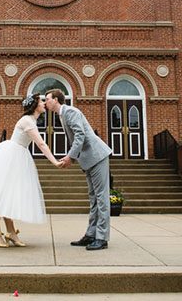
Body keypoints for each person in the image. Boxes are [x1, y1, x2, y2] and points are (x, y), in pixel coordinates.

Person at [0, 93, 62, 248]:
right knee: (0, 194)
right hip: (11, 156)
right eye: (41, 101)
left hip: (19, 156)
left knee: (8, 195)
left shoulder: (31, 120)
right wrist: (55, 161)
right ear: (34, 106)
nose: (44, 103)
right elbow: (41, 144)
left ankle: (11, 232)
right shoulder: (27, 120)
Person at [45, 88, 113, 251]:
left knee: (101, 197)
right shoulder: (61, 115)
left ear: (56, 100)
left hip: (97, 156)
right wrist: (73, 156)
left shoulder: (70, 111)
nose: (45, 102)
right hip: (88, 159)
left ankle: (102, 238)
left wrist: (70, 157)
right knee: (93, 197)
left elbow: (80, 135)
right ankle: (91, 234)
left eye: (47, 99)